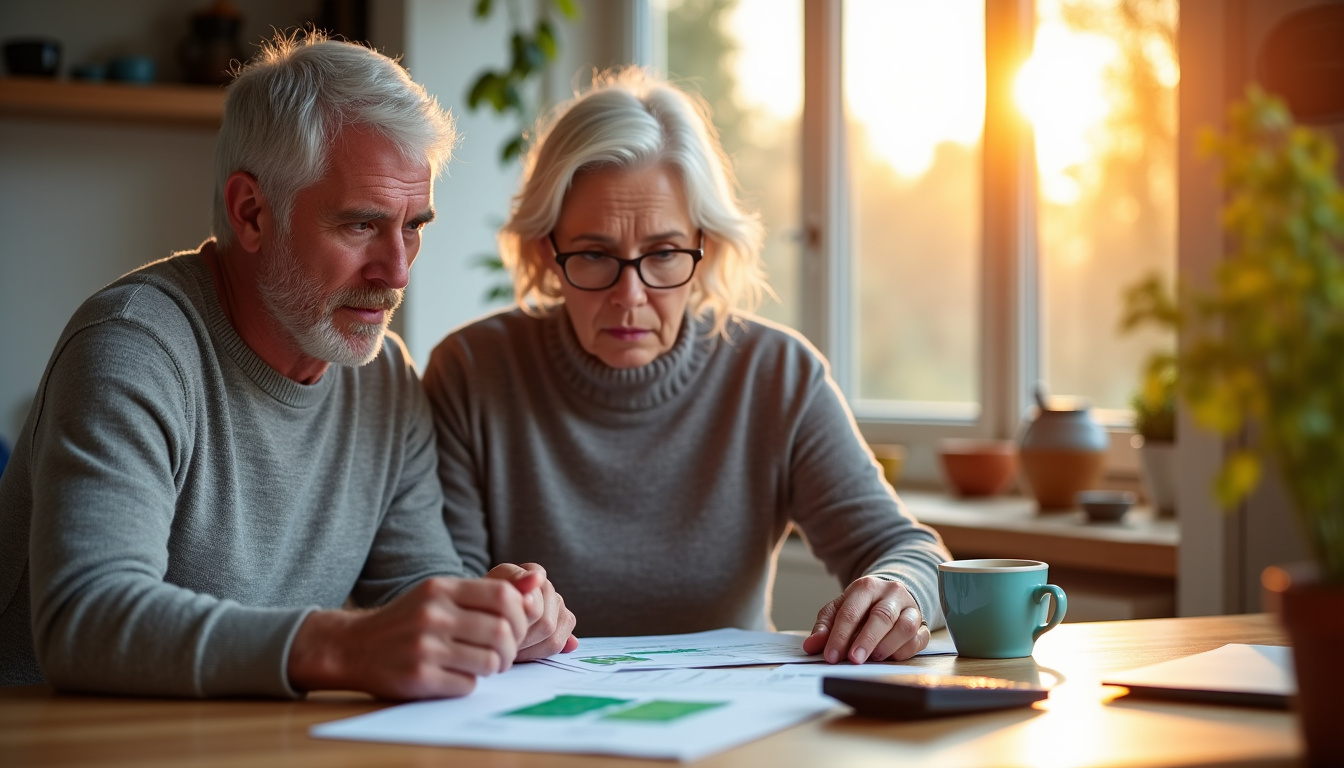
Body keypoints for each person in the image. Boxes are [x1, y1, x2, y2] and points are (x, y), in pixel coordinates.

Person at [0, 31, 575, 699]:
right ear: (251, 213)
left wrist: (491, 617)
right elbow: (86, 619)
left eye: (414, 225)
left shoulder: (385, 377)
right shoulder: (133, 346)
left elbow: (417, 586)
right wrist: (343, 642)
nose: (397, 273)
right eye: (361, 225)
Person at [422, 68, 952, 666]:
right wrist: (490, 606)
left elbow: (909, 549)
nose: (630, 295)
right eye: (595, 254)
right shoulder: (471, 371)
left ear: (708, 249)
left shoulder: (775, 375)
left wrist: (897, 593)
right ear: (547, 249)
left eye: (664, 253)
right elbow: (439, 588)